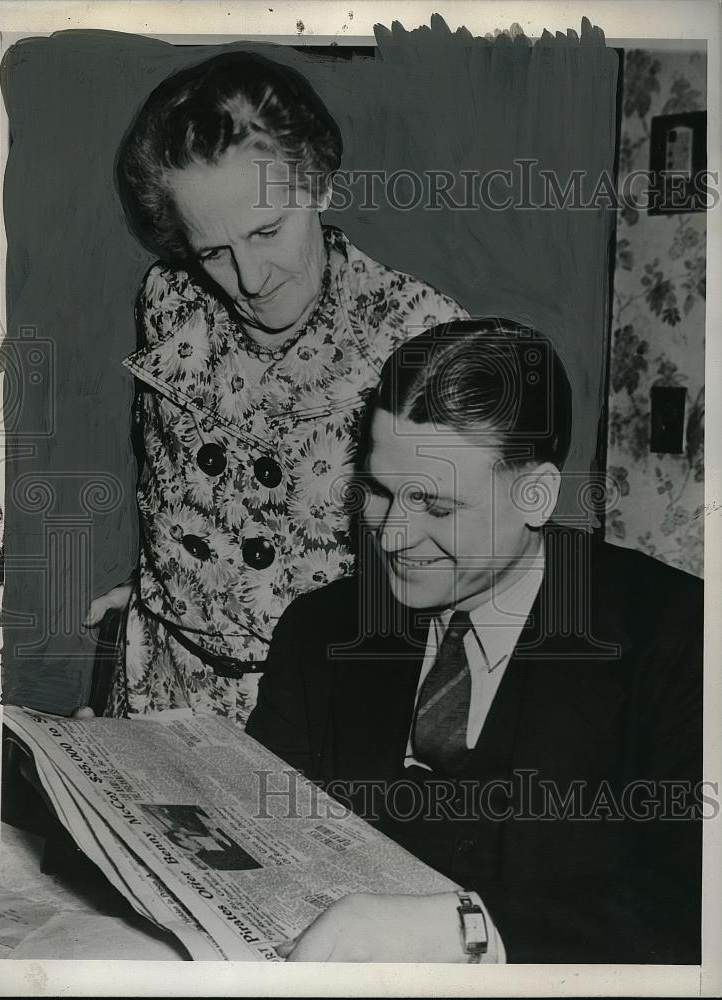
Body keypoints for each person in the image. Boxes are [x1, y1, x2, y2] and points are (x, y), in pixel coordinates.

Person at [245, 318, 703, 963]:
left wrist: (469, 932)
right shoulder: (321, 628)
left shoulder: (681, 639)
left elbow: (693, 908)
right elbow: (255, 830)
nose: (393, 536)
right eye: (380, 491)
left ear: (536, 494)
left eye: (436, 507)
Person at [84, 51, 467, 722]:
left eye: (268, 231)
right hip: (158, 688)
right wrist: (162, 593)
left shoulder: (423, 336)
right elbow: (181, 481)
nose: (251, 278)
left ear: (317, 184)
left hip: (321, 711)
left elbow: (470, 558)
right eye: (213, 252)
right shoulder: (168, 299)